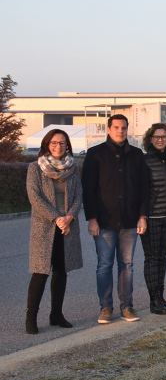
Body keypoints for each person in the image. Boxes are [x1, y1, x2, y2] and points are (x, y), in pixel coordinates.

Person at [82, 114, 149, 324]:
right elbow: (88, 190)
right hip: (104, 221)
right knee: (104, 265)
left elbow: (144, 189)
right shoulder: (95, 154)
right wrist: (91, 218)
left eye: (124, 128)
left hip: (130, 220)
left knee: (127, 265)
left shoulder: (137, 155)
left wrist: (142, 216)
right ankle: (105, 307)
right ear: (109, 129)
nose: (121, 131)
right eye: (117, 127)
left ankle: (127, 306)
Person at [25, 129, 84, 333]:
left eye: (62, 142)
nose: (58, 146)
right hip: (45, 227)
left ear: (67, 145)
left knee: (61, 271)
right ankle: (30, 318)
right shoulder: (35, 168)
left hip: (66, 227)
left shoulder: (73, 169)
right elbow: (34, 198)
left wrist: (69, 217)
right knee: (40, 272)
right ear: (47, 144)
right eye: (53, 142)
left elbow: (78, 196)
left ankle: (56, 314)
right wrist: (57, 217)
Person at [140, 123, 166, 315]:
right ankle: (153, 301)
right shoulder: (144, 161)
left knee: (162, 258)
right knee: (152, 258)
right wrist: (141, 216)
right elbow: (138, 191)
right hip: (152, 218)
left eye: (164, 137)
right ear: (150, 139)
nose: (160, 140)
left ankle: (161, 297)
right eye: (156, 137)